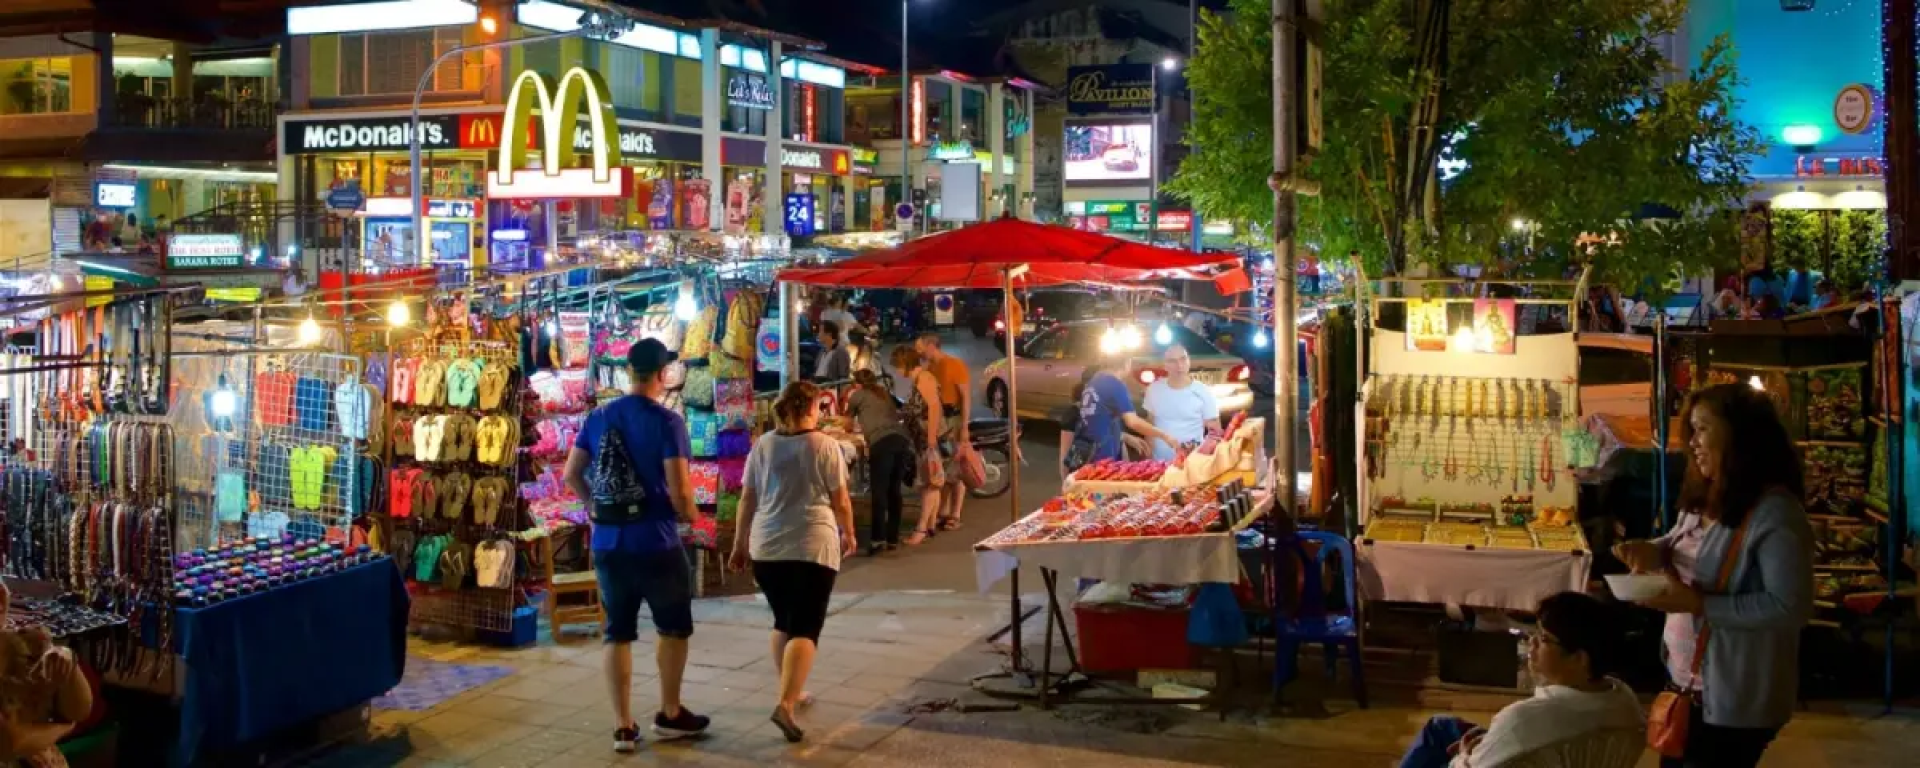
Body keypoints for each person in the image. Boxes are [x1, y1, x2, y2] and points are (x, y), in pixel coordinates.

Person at [1612, 383, 1812, 768]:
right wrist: (1653, 549)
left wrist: (1699, 604)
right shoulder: (1709, 494)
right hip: (1687, 686)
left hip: (1734, 700)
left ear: (1740, 435)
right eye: (1692, 430)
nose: (1693, 442)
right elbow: (1682, 541)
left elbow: (1790, 606)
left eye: (1703, 429)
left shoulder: (1775, 514)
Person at [563, 338, 711, 753]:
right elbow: (681, 489)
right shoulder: (668, 423)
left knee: (617, 632)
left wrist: (595, 506)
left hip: (609, 543)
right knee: (674, 626)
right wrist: (693, 518)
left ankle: (622, 726)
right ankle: (669, 711)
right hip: (656, 542)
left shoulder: (598, 416)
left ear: (629, 370)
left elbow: (572, 474)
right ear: (663, 374)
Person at [726, 382, 857, 744]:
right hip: (811, 547)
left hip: (766, 549)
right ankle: (786, 703)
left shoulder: (763, 446)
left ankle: (793, 690)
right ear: (810, 408)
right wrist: (850, 532)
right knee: (806, 627)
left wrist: (739, 544)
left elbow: (746, 500)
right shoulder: (825, 446)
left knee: (783, 620)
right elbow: (841, 501)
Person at [1399, 592, 1643, 768]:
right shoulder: (1626, 701)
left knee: (1437, 739)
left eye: (1545, 639)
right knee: (1442, 727)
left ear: (1579, 658)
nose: (1532, 643)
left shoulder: (1522, 719)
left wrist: (1464, 757)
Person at [0, 580, 94, 767]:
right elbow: (10, 742)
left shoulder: (27, 642)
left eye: (2, 590)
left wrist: (67, 663)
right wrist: (63, 728)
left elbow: (80, 710)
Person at [1065, 357, 1182, 472]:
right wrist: (1165, 436)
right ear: (1127, 364)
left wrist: (1125, 436)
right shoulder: (1114, 384)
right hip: (1101, 459)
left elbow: (1098, 420)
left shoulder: (1095, 381)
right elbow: (1133, 422)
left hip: (1086, 456)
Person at [847, 369, 910, 554]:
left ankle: (877, 539)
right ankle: (892, 538)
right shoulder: (883, 393)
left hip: (881, 443)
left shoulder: (857, 395)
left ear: (857, 383)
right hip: (900, 440)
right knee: (894, 490)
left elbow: (847, 422)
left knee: (879, 492)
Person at [913, 332, 971, 531]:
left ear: (931, 346)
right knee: (943, 467)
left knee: (956, 467)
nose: (918, 351)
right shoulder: (930, 368)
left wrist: (964, 427)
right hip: (940, 422)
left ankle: (956, 513)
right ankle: (943, 512)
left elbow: (965, 397)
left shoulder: (955, 365)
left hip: (953, 419)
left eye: (920, 347)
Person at [891, 344, 947, 545]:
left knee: (928, 484)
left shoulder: (923, 379)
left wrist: (931, 438)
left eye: (897, 366)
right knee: (933, 482)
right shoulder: (920, 379)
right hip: (922, 438)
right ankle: (931, 525)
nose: (896, 371)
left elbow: (933, 407)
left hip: (926, 440)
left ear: (905, 364)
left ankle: (921, 529)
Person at [1141, 343, 1221, 460]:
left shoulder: (1203, 391)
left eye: (1183, 359)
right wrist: (1148, 459)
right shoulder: (1154, 390)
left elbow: (1215, 431)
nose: (1179, 365)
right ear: (1165, 365)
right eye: (1172, 361)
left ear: (1189, 361)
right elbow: (1149, 426)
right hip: (1160, 463)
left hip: (1193, 462)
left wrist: (1205, 455)